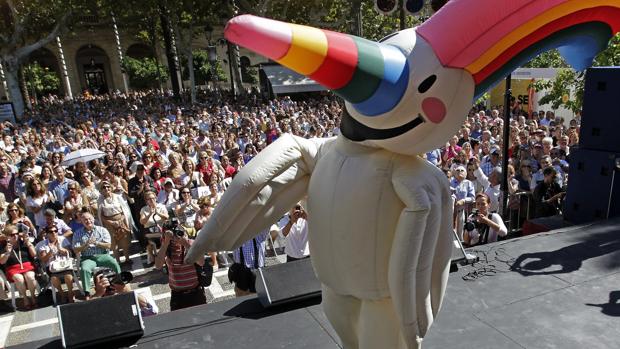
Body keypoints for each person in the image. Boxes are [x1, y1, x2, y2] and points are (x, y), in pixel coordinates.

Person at [154, 221, 207, 311]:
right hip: (177, 295)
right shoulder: (166, 248)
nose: (175, 237)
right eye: (172, 235)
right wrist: (165, 243)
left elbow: (201, 262)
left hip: (195, 292)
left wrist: (186, 244)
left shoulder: (191, 243)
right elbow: (158, 266)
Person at [72, 212, 121, 298]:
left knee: (114, 263)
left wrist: (97, 243)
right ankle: (87, 292)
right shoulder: (77, 233)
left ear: (93, 219)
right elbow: (75, 249)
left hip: (102, 255)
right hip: (87, 257)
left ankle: (120, 283)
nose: (88, 221)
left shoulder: (102, 230)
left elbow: (109, 245)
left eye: (89, 219)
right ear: (82, 222)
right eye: (85, 220)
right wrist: (85, 245)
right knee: (84, 269)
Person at [0, 225, 38, 310]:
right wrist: (7, 252)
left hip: (27, 265)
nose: (15, 236)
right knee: (19, 279)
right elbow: (2, 261)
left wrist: (28, 244)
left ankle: (32, 296)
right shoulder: (4, 247)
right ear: (7, 237)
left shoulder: (24, 243)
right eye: (12, 235)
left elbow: (34, 254)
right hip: (13, 269)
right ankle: (25, 298)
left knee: (30, 277)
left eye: (17, 233)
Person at [91, 268, 158, 317]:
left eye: (113, 279)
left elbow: (152, 312)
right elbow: (85, 317)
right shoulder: (95, 305)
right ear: (95, 289)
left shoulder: (132, 296)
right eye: (103, 283)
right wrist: (98, 295)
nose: (110, 285)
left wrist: (129, 293)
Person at [37, 226, 76, 304]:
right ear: (47, 234)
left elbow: (71, 253)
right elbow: (44, 259)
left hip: (65, 264)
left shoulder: (63, 240)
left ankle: (70, 293)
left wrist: (61, 250)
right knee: (54, 278)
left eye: (55, 231)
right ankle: (62, 294)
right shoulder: (43, 244)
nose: (54, 233)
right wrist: (50, 252)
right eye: (51, 232)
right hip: (52, 267)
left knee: (68, 276)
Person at [97, 180, 133, 264]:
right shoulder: (100, 200)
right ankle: (118, 261)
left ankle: (127, 259)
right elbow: (100, 215)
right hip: (109, 223)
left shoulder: (117, 197)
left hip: (121, 220)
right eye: (104, 187)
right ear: (101, 190)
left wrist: (121, 220)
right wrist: (111, 222)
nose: (106, 188)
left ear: (111, 187)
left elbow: (125, 210)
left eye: (108, 186)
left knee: (124, 240)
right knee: (113, 242)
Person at [139, 190, 168, 265]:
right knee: (148, 237)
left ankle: (163, 255)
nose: (151, 200)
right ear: (146, 201)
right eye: (149, 199)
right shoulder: (144, 209)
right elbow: (142, 222)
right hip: (150, 231)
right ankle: (150, 254)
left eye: (153, 198)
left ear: (156, 198)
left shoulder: (161, 206)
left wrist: (158, 212)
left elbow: (166, 217)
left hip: (161, 229)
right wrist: (150, 214)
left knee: (164, 235)